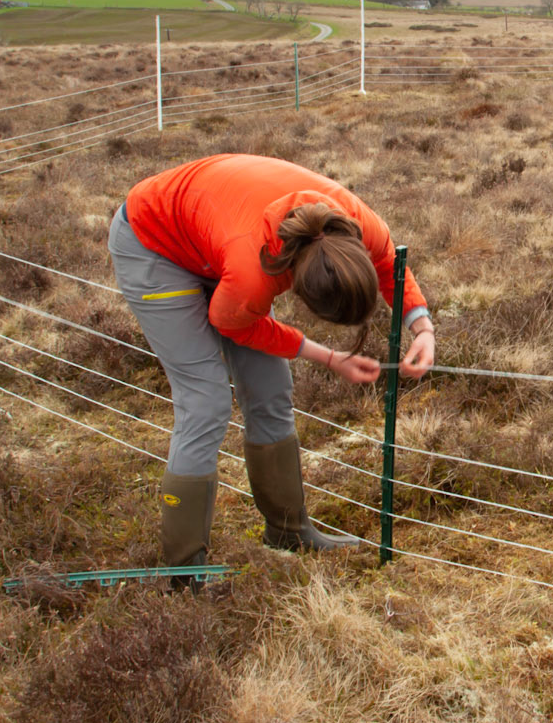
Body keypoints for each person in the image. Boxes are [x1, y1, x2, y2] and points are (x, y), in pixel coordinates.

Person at [108, 154, 433, 566]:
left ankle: (288, 531)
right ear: (293, 284)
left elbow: (388, 261)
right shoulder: (253, 271)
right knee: (205, 403)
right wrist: (329, 357)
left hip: (217, 230)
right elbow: (234, 324)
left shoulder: (354, 223)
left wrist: (422, 327)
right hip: (155, 243)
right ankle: (184, 568)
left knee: (269, 388)